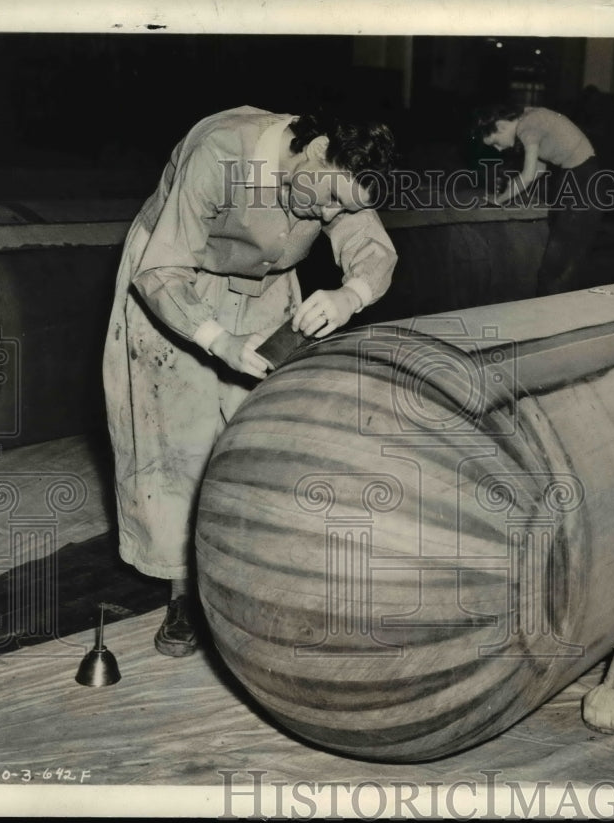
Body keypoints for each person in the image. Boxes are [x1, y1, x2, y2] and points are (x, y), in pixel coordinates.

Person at [102, 105, 398, 657]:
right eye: (331, 197)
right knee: (179, 446)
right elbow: (161, 268)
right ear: (314, 150)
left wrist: (348, 294)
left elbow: (371, 247)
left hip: (265, 286)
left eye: (345, 206)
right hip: (174, 283)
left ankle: (257, 576)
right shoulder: (221, 152)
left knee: (267, 434)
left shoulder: (340, 174)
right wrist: (218, 340)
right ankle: (184, 596)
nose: (334, 213)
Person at [474, 104, 601, 296]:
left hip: (581, 179)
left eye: (495, 143)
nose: (499, 150)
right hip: (581, 175)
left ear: (500, 126)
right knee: (565, 261)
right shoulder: (531, 119)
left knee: (555, 269)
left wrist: (498, 201)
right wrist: (503, 196)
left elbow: (528, 175)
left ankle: (552, 315)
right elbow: (538, 171)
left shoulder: (527, 126)